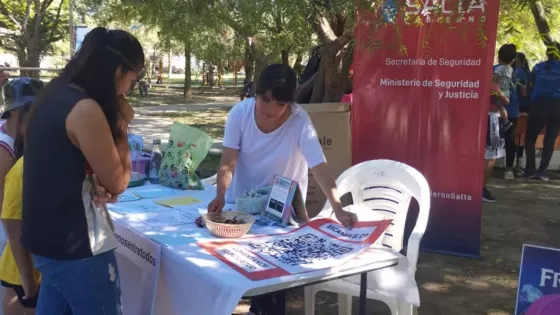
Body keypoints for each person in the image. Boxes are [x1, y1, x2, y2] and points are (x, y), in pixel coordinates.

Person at [207, 64, 358, 315]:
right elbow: (227, 163)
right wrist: (221, 194)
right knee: (235, 276)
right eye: (266, 100)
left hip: (281, 216)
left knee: (273, 285)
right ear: (256, 93)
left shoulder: (300, 122)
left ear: (289, 103)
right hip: (241, 212)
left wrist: (338, 208)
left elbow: (320, 169)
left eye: (280, 104)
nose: (271, 110)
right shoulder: (239, 114)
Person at [21, 27, 142, 315]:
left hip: (45, 241)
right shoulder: (85, 108)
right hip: (76, 248)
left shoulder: (54, 94)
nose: (127, 91)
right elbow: (119, 181)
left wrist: (94, 181)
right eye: (132, 80)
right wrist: (122, 123)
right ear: (117, 71)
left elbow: (62, 164)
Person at [0, 77, 44, 315]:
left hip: (19, 239)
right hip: (11, 239)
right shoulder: (6, 149)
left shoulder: (21, 140)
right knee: (17, 295)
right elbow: (7, 213)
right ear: (16, 111)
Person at [484, 44, 517, 202]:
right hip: (493, 115)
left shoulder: (492, 68)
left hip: (486, 113)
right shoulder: (506, 70)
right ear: (513, 60)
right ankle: (481, 190)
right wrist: (502, 105)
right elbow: (495, 90)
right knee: (491, 156)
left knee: (485, 154)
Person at [523, 43, 560, 180]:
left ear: (547, 53)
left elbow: (531, 86)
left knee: (530, 138)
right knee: (550, 139)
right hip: (557, 106)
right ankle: (542, 172)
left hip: (539, 105)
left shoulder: (538, 67)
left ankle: (530, 170)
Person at [515, 53, 532, 169]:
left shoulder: (518, 72)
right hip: (527, 106)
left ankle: (513, 159)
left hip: (518, 106)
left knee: (515, 133)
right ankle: (520, 158)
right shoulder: (528, 72)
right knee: (522, 133)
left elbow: (523, 91)